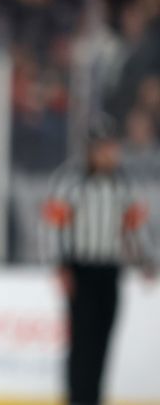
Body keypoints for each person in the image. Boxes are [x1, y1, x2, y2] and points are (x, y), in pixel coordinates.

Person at [42, 117, 155, 405]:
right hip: (81, 270)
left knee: (104, 338)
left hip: (109, 270)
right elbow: (53, 226)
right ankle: (78, 398)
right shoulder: (71, 180)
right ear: (91, 150)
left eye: (112, 148)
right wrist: (61, 266)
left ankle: (93, 398)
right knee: (82, 340)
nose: (109, 154)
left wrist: (147, 259)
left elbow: (136, 225)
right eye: (103, 148)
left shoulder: (123, 183)